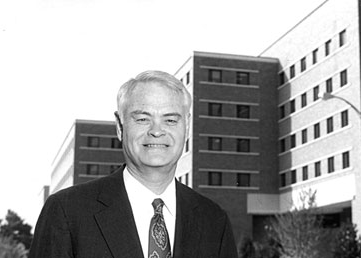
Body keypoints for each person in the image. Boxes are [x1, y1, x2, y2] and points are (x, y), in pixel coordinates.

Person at [30, 70, 238, 258]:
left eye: (171, 120)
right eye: (142, 119)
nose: (157, 131)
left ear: (187, 127)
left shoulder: (213, 220)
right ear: (120, 127)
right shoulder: (67, 212)